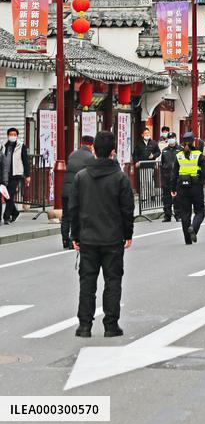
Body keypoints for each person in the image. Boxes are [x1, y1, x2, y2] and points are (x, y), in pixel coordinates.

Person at [69, 130, 134, 338]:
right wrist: (128, 233)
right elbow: (127, 209)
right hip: (113, 238)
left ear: (94, 151)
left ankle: (84, 326)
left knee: (87, 282)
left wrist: (75, 236)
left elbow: (74, 209)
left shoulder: (81, 177)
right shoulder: (120, 178)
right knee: (113, 281)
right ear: (113, 152)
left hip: (88, 237)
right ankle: (111, 325)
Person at [170, 131, 205, 244]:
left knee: (185, 213)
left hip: (182, 187)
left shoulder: (178, 155)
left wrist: (173, 189)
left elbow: (174, 174)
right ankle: (193, 228)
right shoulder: (198, 154)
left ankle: (188, 240)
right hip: (196, 186)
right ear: (194, 141)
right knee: (200, 212)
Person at [60, 135, 95, 249]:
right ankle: (73, 240)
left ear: (81, 143)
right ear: (91, 145)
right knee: (77, 216)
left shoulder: (72, 154)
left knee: (66, 216)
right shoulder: (90, 157)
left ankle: (64, 240)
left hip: (65, 190)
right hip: (78, 190)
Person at [0, 128, 30, 224]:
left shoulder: (21, 146)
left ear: (17, 136)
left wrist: (27, 175)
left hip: (16, 174)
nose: (12, 136)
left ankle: (6, 217)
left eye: (14, 134)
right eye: (10, 134)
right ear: (8, 135)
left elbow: (25, 161)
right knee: (6, 196)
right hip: (5, 174)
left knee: (10, 195)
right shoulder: (4, 146)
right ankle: (15, 212)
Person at [159, 132, 180, 222]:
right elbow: (162, 163)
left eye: (172, 137)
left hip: (177, 177)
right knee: (166, 197)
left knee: (177, 197)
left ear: (175, 138)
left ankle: (178, 215)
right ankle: (167, 215)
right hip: (166, 177)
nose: (171, 139)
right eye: (169, 137)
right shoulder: (164, 150)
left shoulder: (180, 150)